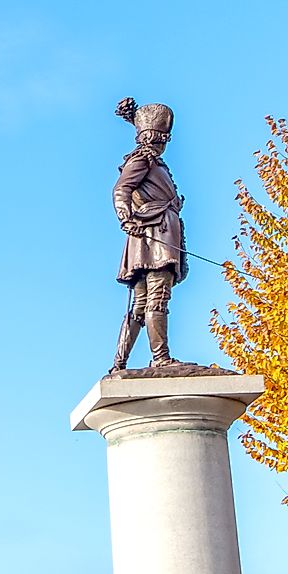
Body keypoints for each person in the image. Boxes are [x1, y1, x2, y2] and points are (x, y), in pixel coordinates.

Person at [111, 97, 185, 371]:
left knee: (142, 303)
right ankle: (161, 358)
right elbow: (121, 189)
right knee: (156, 297)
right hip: (154, 235)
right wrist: (125, 217)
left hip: (155, 233)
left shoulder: (153, 161)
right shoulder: (143, 160)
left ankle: (120, 363)